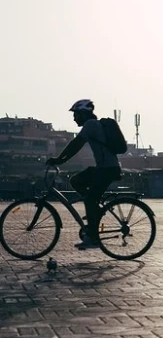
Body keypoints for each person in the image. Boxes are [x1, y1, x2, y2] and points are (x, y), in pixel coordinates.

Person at [46, 99, 122, 249]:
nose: (74, 118)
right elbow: (77, 145)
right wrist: (61, 160)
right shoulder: (93, 125)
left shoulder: (91, 125)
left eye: (76, 115)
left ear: (83, 114)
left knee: (89, 200)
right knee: (76, 181)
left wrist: (59, 160)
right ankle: (95, 210)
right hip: (104, 168)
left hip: (107, 169)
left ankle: (93, 238)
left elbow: (76, 144)